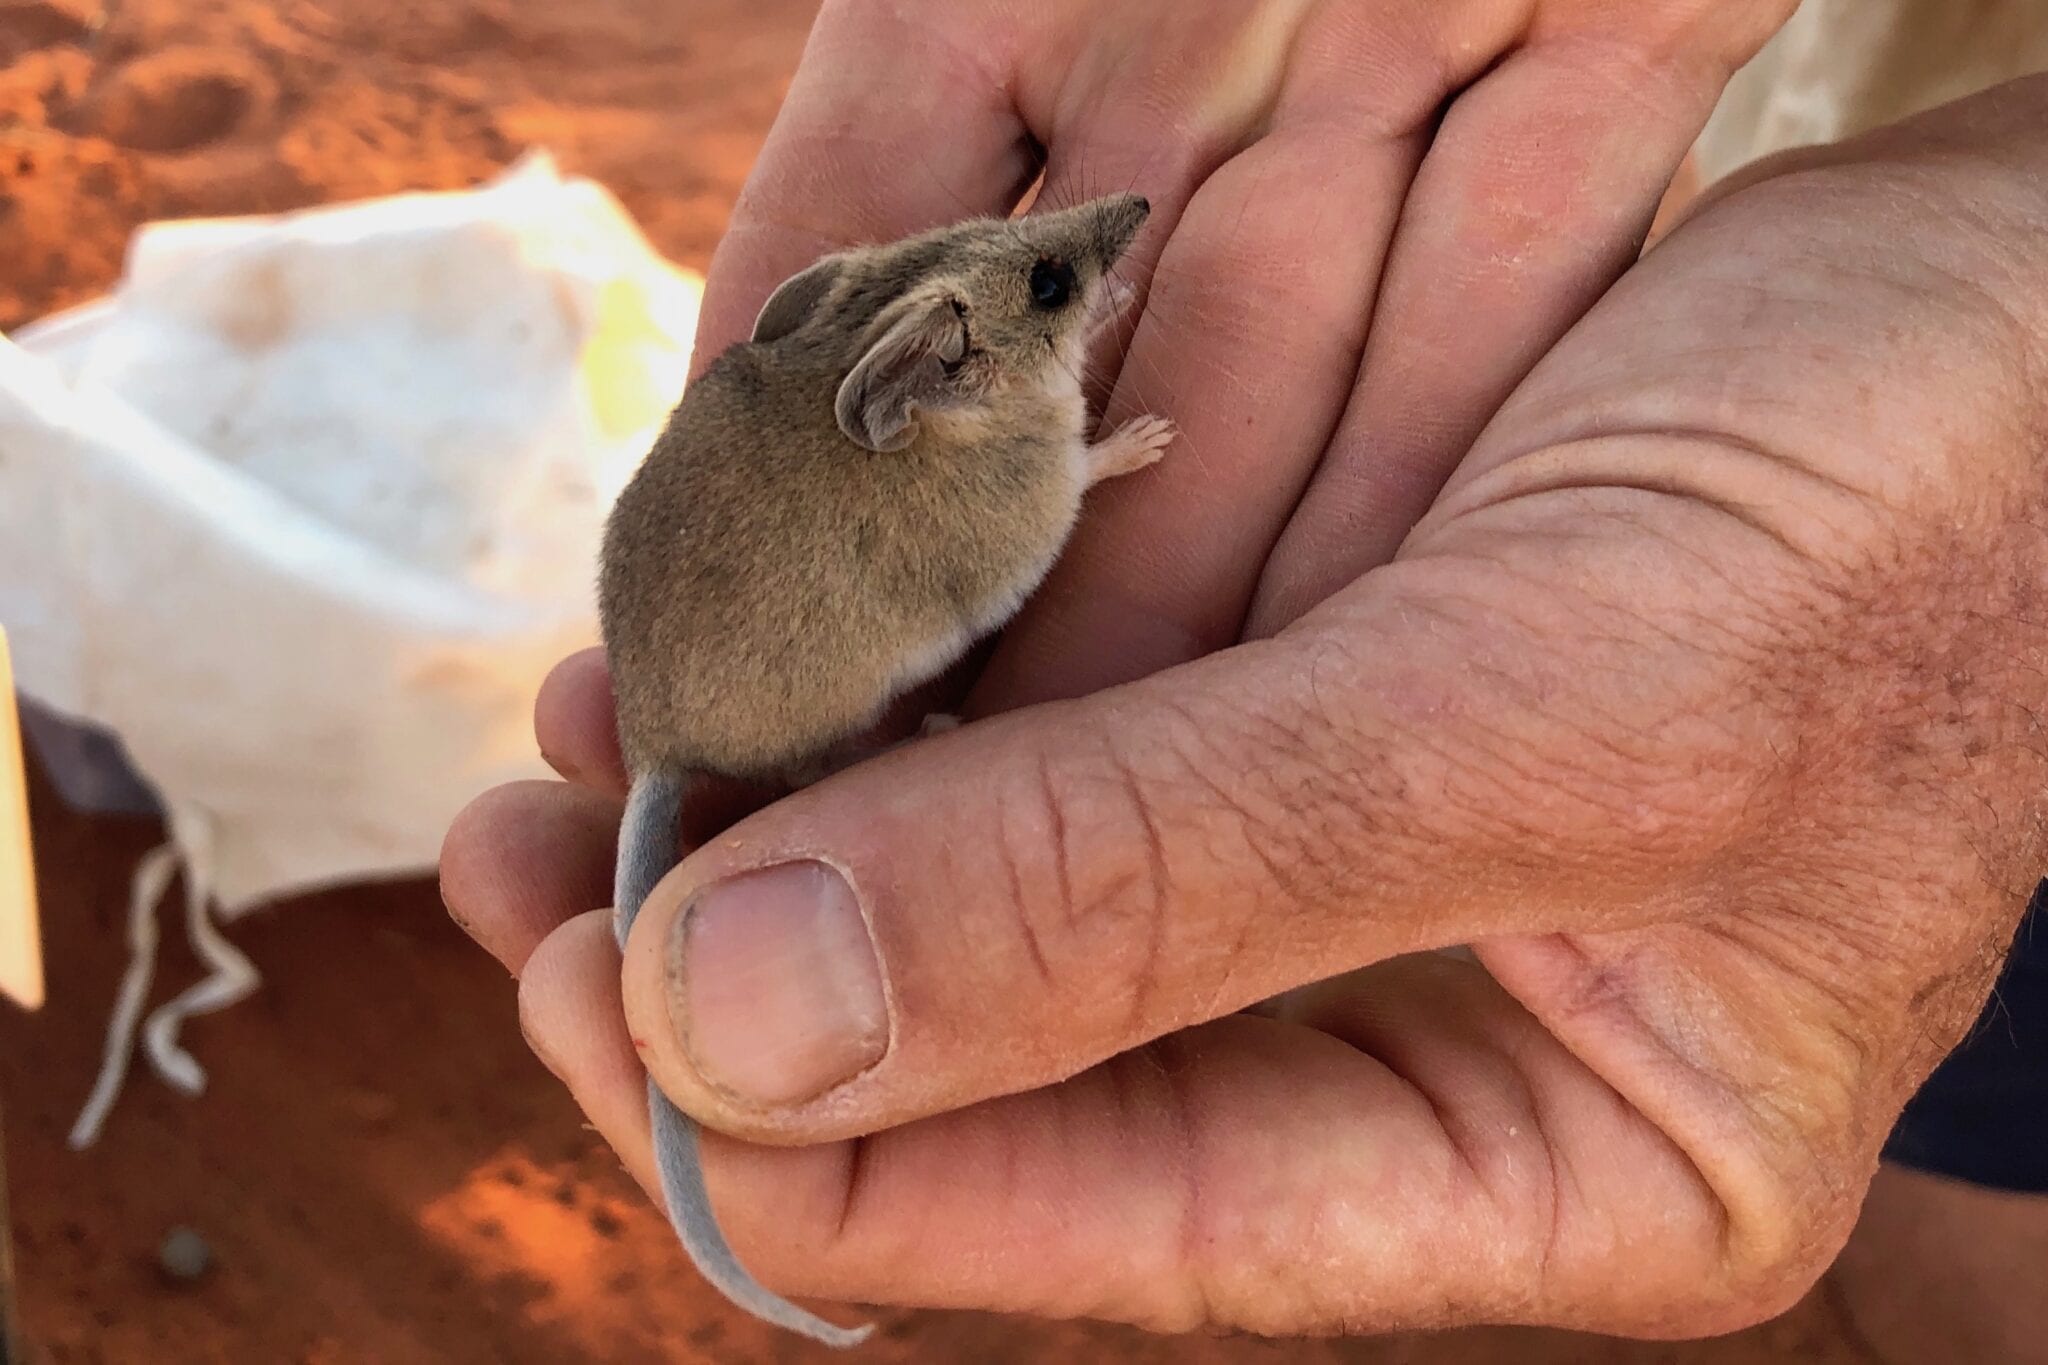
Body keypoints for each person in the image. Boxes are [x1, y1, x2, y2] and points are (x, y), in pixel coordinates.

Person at [439, 4, 2048, 1359]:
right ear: (937, 381)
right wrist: (1083, 468)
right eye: (1055, 293)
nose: (1108, 249)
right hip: (774, 677)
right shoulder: (960, 482)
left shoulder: (903, 397)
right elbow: (987, 565)